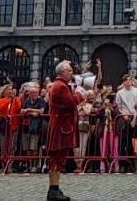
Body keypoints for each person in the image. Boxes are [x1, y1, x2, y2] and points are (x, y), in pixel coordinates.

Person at [46, 60, 83, 201]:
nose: (71, 73)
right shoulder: (60, 86)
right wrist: (80, 94)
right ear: (62, 72)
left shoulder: (60, 85)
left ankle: (54, 188)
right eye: (69, 70)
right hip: (61, 125)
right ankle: (53, 190)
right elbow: (72, 101)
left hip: (61, 124)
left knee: (58, 159)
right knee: (57, 158)